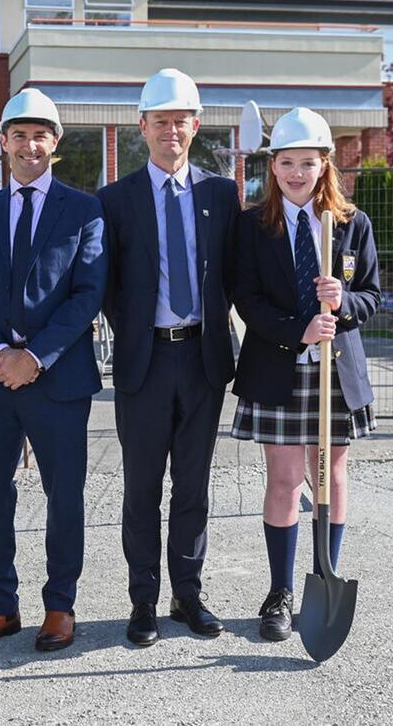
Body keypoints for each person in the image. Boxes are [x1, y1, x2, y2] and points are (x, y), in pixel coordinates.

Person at [0, 88, 107, 654]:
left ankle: (59, 606)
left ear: (55, 143)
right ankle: (0, 606)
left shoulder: (85, 210)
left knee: (64, 494)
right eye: (19, 133)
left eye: (40, 133)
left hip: (58, 378)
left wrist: (35, 357)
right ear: (3, 142)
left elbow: (87, 293)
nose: (29, 143)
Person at [97, 69, 239, 646]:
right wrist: (130, 329)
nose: (171, 130)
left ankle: (188, 594)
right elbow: (104, 281)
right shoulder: (115, 199)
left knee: (193, 486)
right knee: (141, 488)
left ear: (195, 125)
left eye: (181, 120)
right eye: (160, 121)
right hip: (145, 362)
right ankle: (143, 601)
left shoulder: (221, 195)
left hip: (202, 360)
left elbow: (238, 271)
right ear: (143, 127)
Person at [230, 107, 380, 643]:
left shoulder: (349, 223)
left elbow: (373, 296)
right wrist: (299, 329)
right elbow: (244, 298)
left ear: (325, 165)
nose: (297, 172)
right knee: (284, 480)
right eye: (287, 162)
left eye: (308, 162)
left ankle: (326, 576)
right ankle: (280, 591)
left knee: (330, 479)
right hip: (280, 368)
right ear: (273, 167)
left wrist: (343, 306)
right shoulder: (252, 226)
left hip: (335, 376)